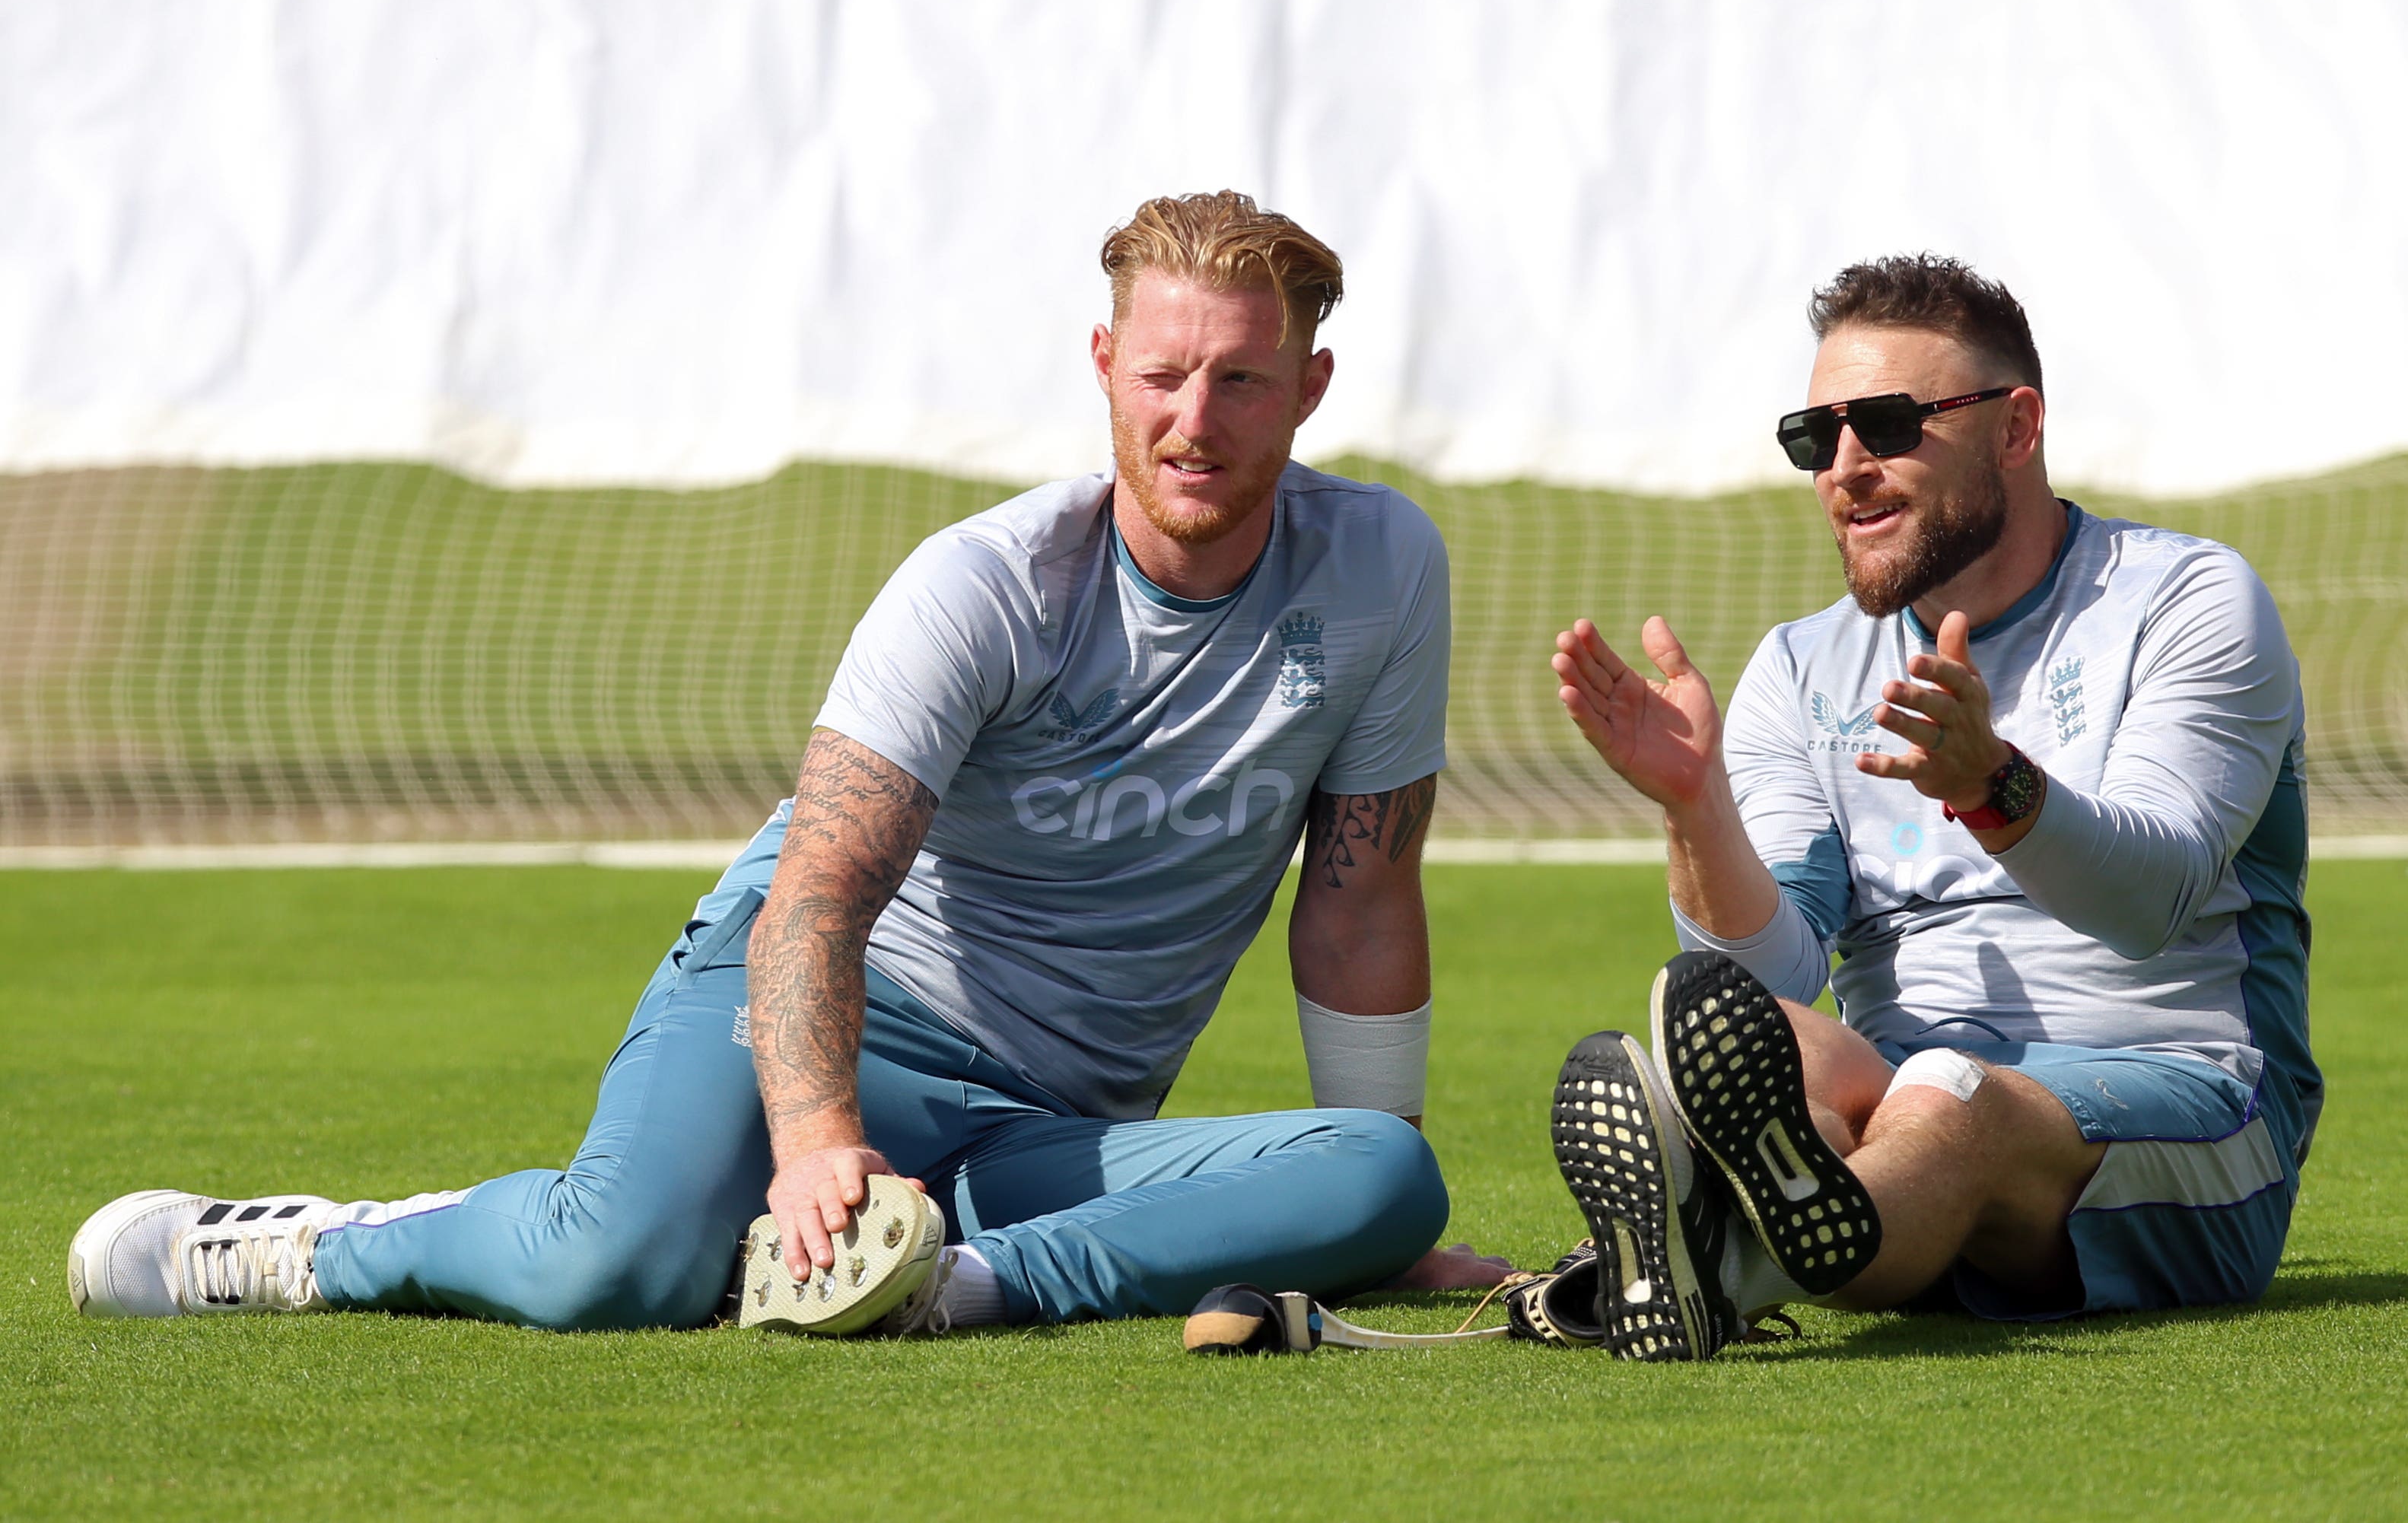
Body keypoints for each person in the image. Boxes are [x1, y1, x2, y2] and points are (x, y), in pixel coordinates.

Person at [68, 189, 1509, 1334]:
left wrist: (1374, 1224)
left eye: (1242, 381)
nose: (1194, 420)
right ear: (1101, 366)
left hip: (1045, 1125)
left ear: (1310, 386)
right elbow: (817, 888)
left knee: (1378, 1173)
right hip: (812, 1012)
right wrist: (816, 1138)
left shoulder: (1383, 567)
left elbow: (1360, 897)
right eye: (1163, 373)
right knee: (617, 1271)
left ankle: (950, 1285)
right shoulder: (986, 583)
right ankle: (323, 1245)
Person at [1527, 254, 2317, 1361]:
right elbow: (1778, 976)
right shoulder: (1799, 665)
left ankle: (1717, 1261)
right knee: (1769, 1038)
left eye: (1888, 424)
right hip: (1897, 1102)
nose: (1844, 467)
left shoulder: (2183, 601)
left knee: (1947, 1098)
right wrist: (1693, 806)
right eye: (1815, 436)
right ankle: (1746, 1234)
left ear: (2015, 426)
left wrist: (1992, 788)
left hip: (2193, 1110)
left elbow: (2156, 897)